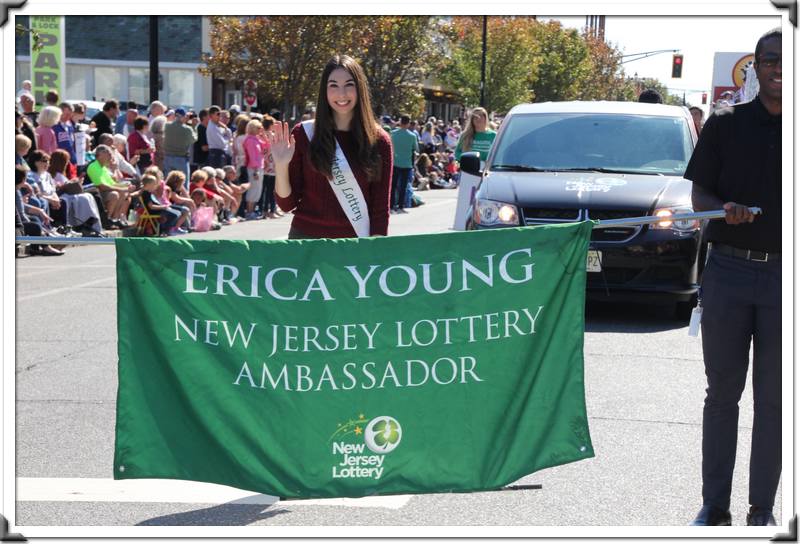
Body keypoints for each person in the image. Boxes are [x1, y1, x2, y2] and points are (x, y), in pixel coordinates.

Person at [686, 28, 781, 527]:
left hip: (787, 280)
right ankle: (714, 505)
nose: (779, 68)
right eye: (769, 59)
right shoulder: (724, 123)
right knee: (723, 394)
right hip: (727, 271)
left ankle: (762, 511)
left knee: (775, 400)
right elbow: (699, 197)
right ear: (755, 66)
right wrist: (723, 210)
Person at [271, 54, 393, 239]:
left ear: (360, 88)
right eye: (333, 85)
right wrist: (281, 166)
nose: (342, 94)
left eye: (349, 85)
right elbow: (287, 205)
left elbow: (380, 209)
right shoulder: (304, 134)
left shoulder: (379, 141)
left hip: (354, 245)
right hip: (306, 243)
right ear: (324, 91)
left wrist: (374, 252)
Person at [48, 149, 104, 236]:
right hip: (62, 196)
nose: (67, 163)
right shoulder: (52, 174)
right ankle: (82, 222)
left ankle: (89, 221)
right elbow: (55, 188)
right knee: (83, 198)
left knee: (88, 195)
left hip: (68, 194)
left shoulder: (62, 173)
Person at [86, 145, 134, 228]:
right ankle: (106, 220)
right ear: (101, 154)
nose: (111, 157)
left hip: (104, 191)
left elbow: (112, 183)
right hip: (96, 193)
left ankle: (114, 219)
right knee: (114, 194)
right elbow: (101, 186)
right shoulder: (93, 166)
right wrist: (122, 189)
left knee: (124, 193)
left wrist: (125, 187)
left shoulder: (103, 168)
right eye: (109, 154)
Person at [390, 114, 419, 213]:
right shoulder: (412, 136)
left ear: (400, 122)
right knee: (403, 186)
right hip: (406, 164)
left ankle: (391, 205)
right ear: (408, 123)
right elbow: (416, 149)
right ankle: (401, 206)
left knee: (393, 185)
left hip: (395, 163)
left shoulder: (393, 134)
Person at [163, 108, 197, 186]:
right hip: (181, 159)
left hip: (167, 157)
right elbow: (194, 139)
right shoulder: (187, 129)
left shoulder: (166, 125)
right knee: (183, 184)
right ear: (183, 116)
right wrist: (193, 126)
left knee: (168, 183)